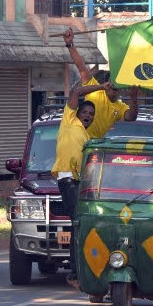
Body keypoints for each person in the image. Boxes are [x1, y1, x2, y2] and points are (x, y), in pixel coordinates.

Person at [51, 87, 96, 288]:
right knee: (78, 225)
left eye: (91, 114)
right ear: (75, 112)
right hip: (67, 180)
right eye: (84, 112)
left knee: (83, 226)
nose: (87, 116)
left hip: (79, 183)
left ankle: (83, 271)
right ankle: (74, 274)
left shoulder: (86, 137)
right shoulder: (69, 120)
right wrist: (102, 87)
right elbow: (77, 92)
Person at [62, 28, 139, 138]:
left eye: (118, 85)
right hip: (77, 138)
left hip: (92, 147)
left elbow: (131, 117)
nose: (114, 86)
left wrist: (134, 98)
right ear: (107, 83)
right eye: (112, 83)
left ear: (121, 89)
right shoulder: (95, 90)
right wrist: (70, 44)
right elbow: (81, 67)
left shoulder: (120, 107)